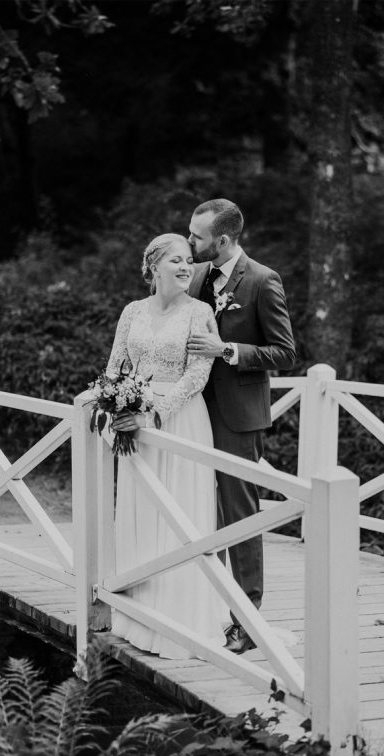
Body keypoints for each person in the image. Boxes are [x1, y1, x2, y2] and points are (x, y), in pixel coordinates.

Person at [108, 233, 227, 659]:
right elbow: (116, 366)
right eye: (175, 260)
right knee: (142, 512)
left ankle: (181, 619)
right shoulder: (132, 311)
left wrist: (154, 414)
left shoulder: (201, 312)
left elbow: (198, 376)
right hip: (134, 422)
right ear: (153, 266)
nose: (185, 267)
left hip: (181, 421)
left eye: (189, 261)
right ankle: (137, 614)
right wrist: (112, 403)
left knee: (179, 515)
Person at [186, 199, 297, 655]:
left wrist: (227, 350)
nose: (189, 241)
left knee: (239, 515)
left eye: (197, 236)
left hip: (237, 416)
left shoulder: (262, 280)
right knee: (188, 505)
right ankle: (196, 604)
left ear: (224, 240)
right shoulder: (195, 275)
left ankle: (246, 622)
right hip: (190, 410)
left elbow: (285, 353)